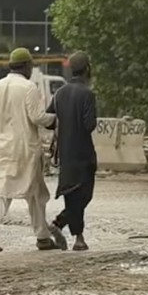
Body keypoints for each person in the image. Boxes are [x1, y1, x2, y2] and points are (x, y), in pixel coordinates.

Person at [0, 48, 58, 253]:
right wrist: (56, 118)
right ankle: (43, 237)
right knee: (36, 194)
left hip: (2, 147)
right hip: (25, 150)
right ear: (27, 66)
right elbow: (37, 117)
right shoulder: (28, 87)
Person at [48, 52, 98, 251]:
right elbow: (89, 125)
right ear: (87, 69)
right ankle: (58, 223)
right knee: (84, 196)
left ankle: (79, 238)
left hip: (65, 154)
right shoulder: (88, 94)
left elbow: (49, 119)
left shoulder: (60, 93)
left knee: (72, 195)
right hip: (84, 154)